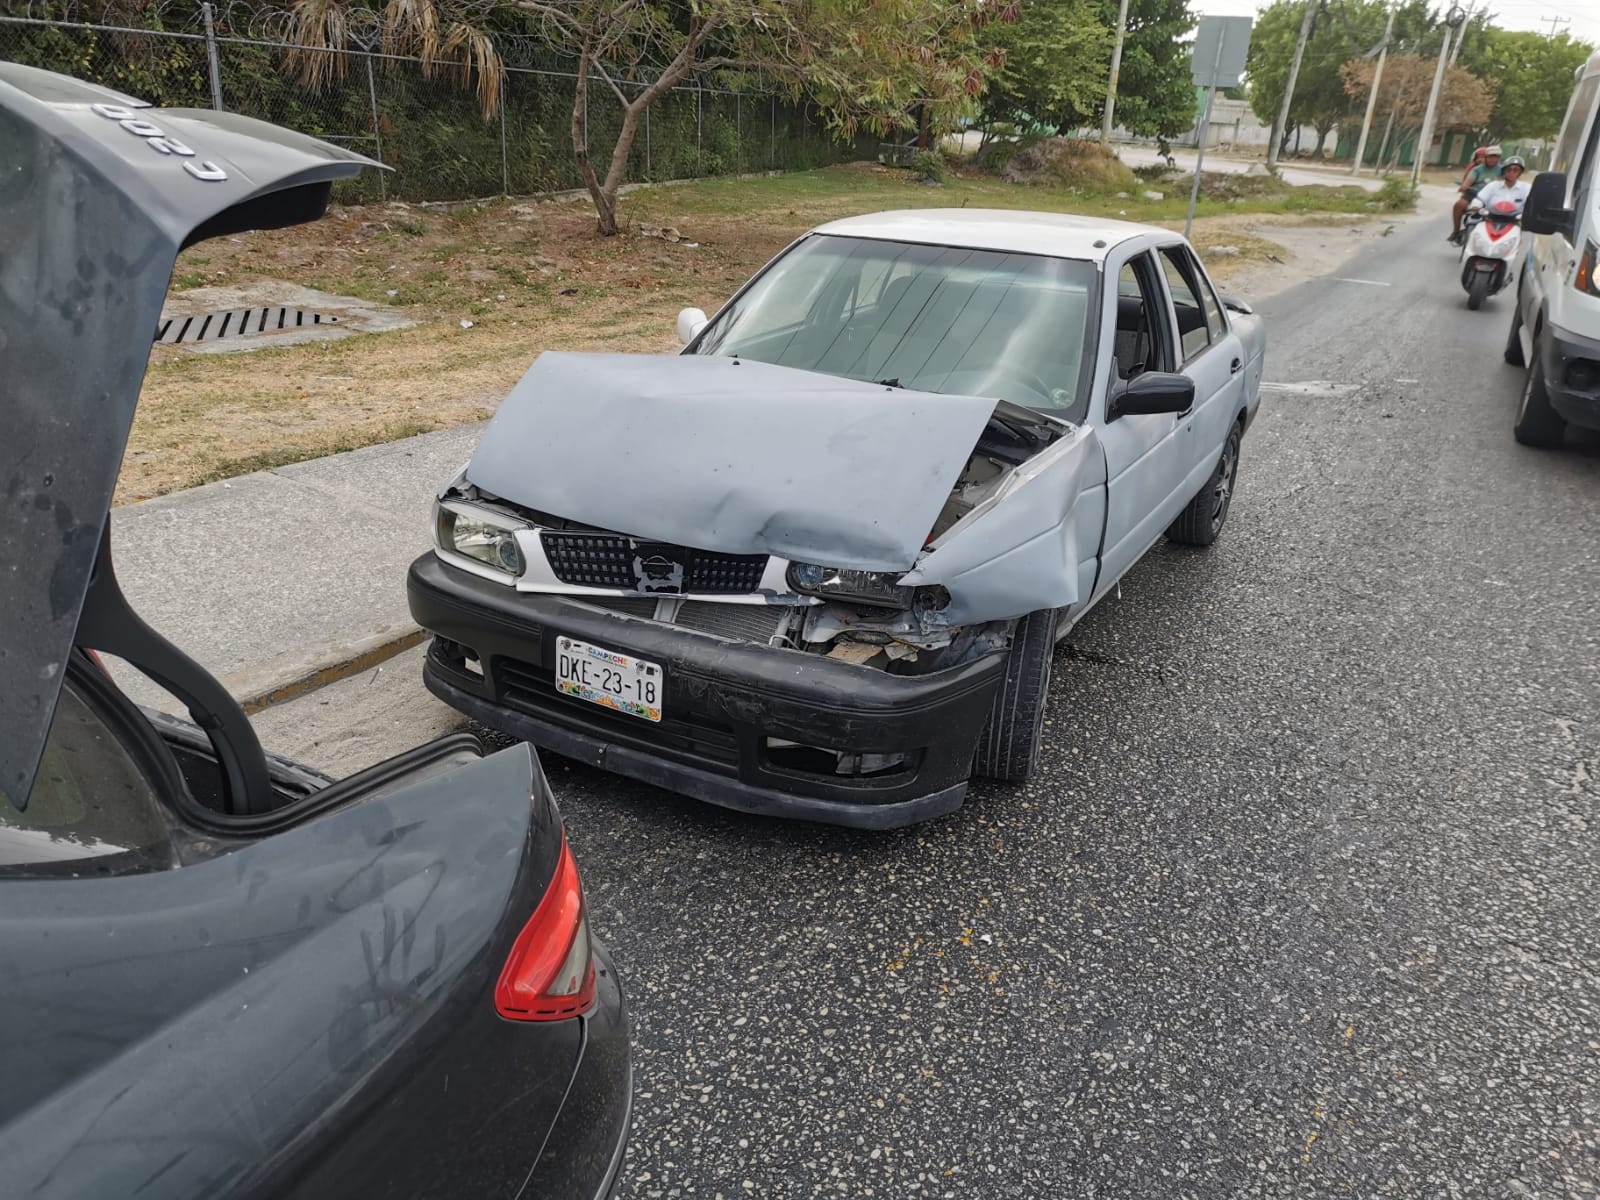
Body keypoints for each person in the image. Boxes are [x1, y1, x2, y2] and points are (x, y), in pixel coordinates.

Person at [1451, 144, 1502, 244]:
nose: (1492, 159)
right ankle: (1456, 232)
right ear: (1486, 157)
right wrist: (1464, 187)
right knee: (1459, 205)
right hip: (1475, 195)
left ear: (1499, 158)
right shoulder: (1477, 170)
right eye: (1490, 157)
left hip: (1494, 198)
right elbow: (1468, 182)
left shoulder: (1503, 171)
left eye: (1495, 157)